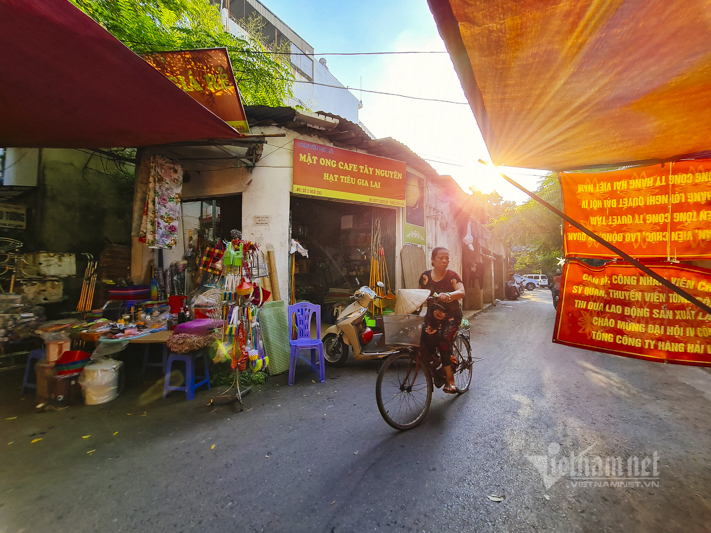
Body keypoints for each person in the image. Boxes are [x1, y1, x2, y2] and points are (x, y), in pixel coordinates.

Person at [418, 247, 466, 394]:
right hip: (432, 317)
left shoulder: (452, 276)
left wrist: (450, 295)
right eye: (441, 258)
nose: (445, 260)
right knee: (421, 338)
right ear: (432, 260)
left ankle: (450, 380)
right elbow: (418, 294)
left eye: (447, 258)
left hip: (451, 317)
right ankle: (438, 362)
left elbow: (461, 291)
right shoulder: (425, 277)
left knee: (444, 339)